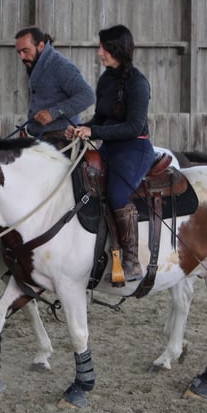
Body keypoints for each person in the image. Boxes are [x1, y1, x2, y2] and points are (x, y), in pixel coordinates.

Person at [65, 24, 154, 281]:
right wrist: (83, 129)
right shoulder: (106, 79)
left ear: (115, 49)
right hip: (110, 147)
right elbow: (101, 120)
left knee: (116, 194)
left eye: (103, 47)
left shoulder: (138, 84)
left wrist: (94, 133)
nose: (99, 53)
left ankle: (131, 260)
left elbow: (134, 127)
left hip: (134, 149)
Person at [14, 26, 95, 143]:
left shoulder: (60, 66)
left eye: (25, 51)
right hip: (43, 139)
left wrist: (53, 113)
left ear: (41, 46)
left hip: (62, 140)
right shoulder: (38, 63)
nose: (22, 57)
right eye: (19, 52)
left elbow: (88, 95)